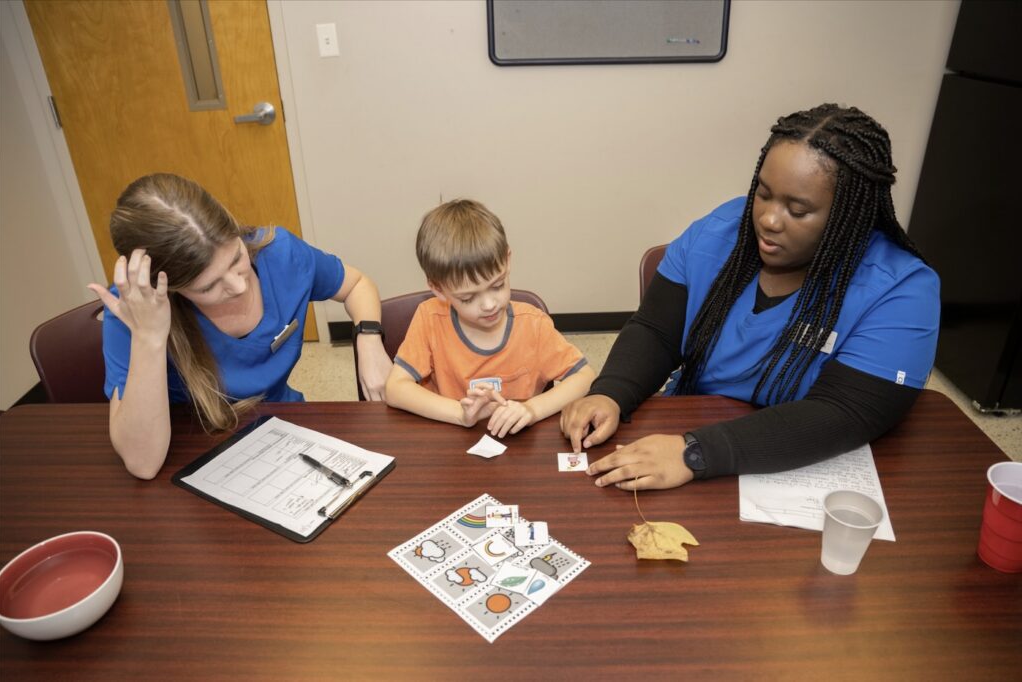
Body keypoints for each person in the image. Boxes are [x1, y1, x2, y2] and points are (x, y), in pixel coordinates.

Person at [561, 103, 940, 491]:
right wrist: (611, 392)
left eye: (798, 209)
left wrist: (696, 452)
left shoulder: (902, 291)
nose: (769, 219)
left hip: (792, 460)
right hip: (686, 435)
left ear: (851, 215)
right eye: (764, 193)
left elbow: (844, 413)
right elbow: (657, 331)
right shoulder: (719, 232)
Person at [88, 173, 393, 479]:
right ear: (164, 288)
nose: (237, 286)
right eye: (208, 287)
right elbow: (143, 463)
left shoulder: (280, 254)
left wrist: (369, 340)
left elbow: (356, 284)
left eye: (237, 258)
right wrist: (149, 336)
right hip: (199, 454)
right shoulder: (134, 311)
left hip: (288, 433)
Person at [385, 199, 594, 436]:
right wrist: (460, 414)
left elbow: (585, 377)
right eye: (468, 298)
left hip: (521, 450)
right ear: (439, 289)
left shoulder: (533, 325)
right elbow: (395, 389)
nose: (489, 304)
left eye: (497, 285)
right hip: (452, 449)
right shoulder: (430, 318)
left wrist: (532, 409)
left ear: (507, 260)